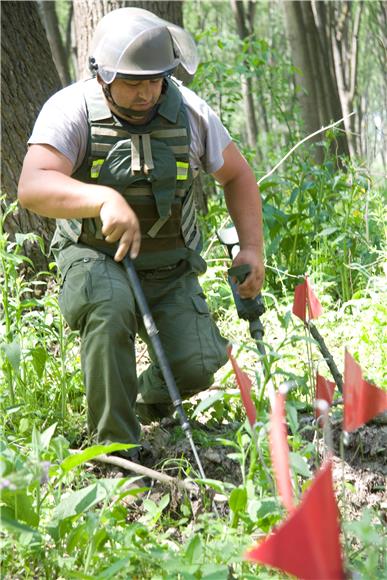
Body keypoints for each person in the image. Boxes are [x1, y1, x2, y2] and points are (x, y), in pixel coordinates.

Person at [18, 8, 264, 461]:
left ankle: (134, 400)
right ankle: (117, 454)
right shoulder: (71, 109)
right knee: (110, 307)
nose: (147, 92)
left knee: (198, 364)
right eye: (133, 82)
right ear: (104, 75)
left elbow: (238, 175)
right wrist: (103, 200)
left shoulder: (190, 111)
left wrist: (251, 247)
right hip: (94, 253)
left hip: (169, 264)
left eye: (156, 80)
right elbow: (33, 185)